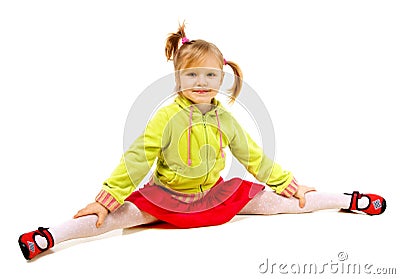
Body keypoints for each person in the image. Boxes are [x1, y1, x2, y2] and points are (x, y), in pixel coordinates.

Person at [18, 22, 386, 261]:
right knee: (116, 217)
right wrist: (108, 197)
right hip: (169, 197)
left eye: (210, 74)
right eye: (191, 74)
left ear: (221, 78)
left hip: (213, 195)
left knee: (279, 203)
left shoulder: (225, 117)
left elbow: (252, 156)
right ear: (177, 78)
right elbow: (137, 159)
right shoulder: (166, 117)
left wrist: (285, 182)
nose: (201, 82)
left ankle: (346, 199)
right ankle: (50, 236)